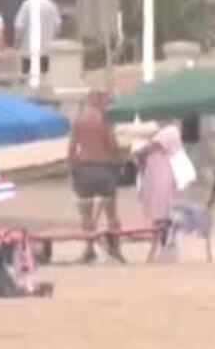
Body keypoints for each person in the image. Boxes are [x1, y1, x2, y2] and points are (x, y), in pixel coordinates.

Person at [68, 89, 127, 263]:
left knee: (86, 214)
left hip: (84, 168)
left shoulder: (79, 121)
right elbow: (112, 144)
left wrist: (73, 170)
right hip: (104, 169)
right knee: (111, 214)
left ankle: (89, 249)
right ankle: (115, 249)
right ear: (100, 101)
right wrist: (120, 159)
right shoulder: (106, 120)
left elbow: (72, 148)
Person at [133, 122, 184, 257]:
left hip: (163, 176)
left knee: (163, 211)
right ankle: (162, 244)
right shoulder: (155, 133)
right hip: (153, 178)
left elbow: (151, 147)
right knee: (158, 212)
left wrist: (139, 152)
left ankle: (166, 243)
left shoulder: (171, 130)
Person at [14, 0, 61, 78]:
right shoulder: (50, 4)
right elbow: (58, 25)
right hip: (46, 49)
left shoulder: (27, 4)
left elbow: (19, 26)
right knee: (44, 76)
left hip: (28, 50)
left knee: (28, 76)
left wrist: (17, 43)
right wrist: (53, 39)